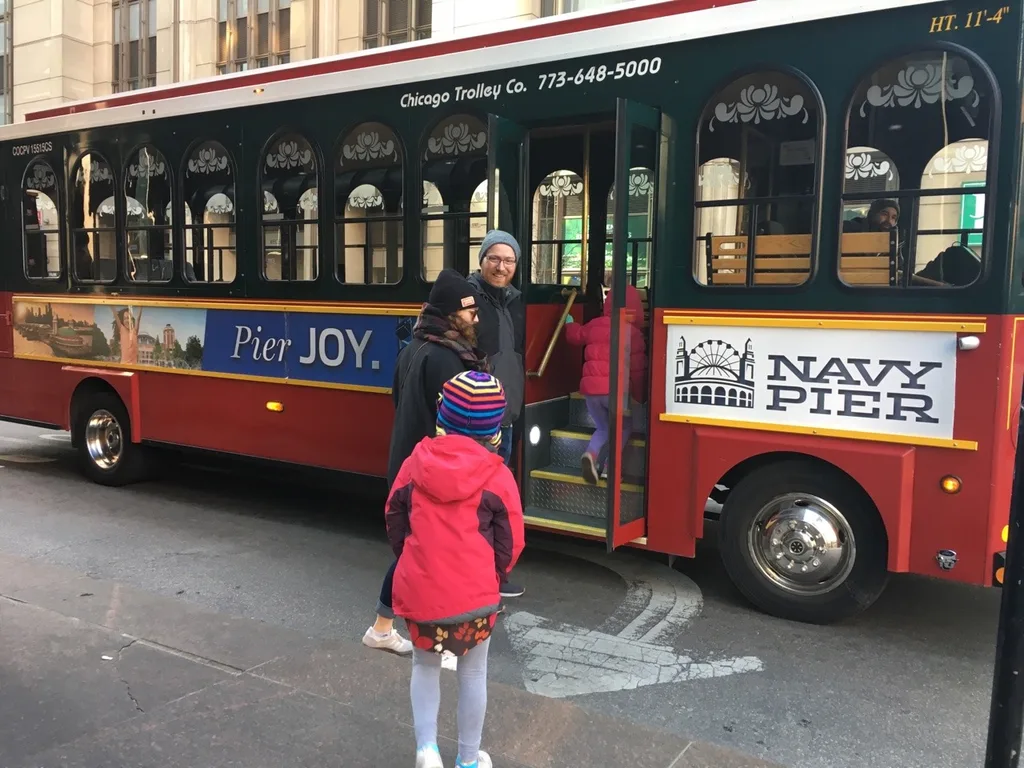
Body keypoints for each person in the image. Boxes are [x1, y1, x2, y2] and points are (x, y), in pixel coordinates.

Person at [386, 370, 525, 768]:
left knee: (424, 665)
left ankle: (426, 751)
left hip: (421, 593)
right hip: (475, 600)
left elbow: (394, 515)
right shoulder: (497, 476)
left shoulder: (415, 464)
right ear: (494, 430)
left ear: (442, 418)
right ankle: (467, 758)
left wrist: (410, 557)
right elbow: (510, 541)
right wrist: (494, 576)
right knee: (473, 674)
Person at [362, 268, 488, 656]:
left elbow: (397, 401)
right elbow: (458, 427)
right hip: (434, 473)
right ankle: (441, 644)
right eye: (469, 313)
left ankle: (383, 627)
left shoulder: (413, 349)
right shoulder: (451, 361)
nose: (476, 319)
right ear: (452, 315)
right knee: (434, 555)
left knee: (416, 551)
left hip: (406, 464)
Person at [468, 229, 526, 598]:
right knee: (481, 503)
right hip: (480, 418)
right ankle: (483, 577)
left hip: (507, 415)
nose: (501, 266)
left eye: (508, 261)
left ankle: (489, 574)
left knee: (495, 501)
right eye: (494, 258)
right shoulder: (469, 298)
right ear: (482, 260)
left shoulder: (513, 301)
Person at [564, 279, 647, 485]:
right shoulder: (633, 334)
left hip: (591, 392)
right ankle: (611, 467)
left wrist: (569, 323)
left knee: (603, 427)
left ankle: (591, 454)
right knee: (623, 427)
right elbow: (637, 369)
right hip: (616, 392)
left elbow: (576, 336)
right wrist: (640, 396)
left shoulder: (595, 325)